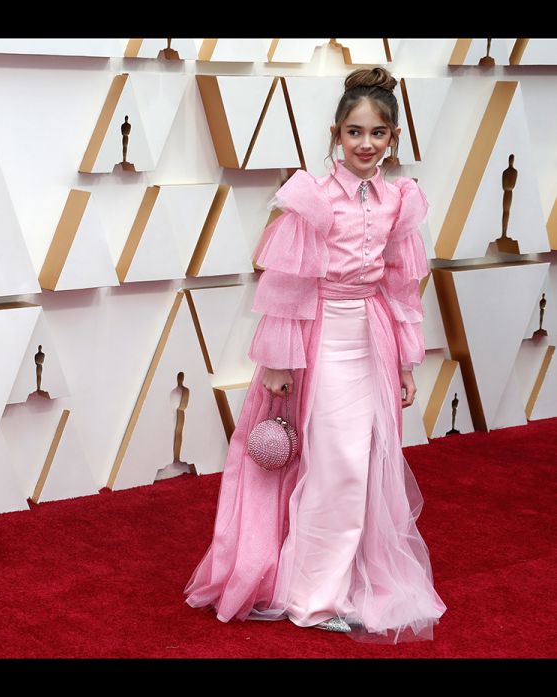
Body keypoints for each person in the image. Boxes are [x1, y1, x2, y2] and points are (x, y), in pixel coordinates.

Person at [183, 67, 447, 644]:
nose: (365, 144)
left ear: (394, 140)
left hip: (371, 339)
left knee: (367, 462)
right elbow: (286, 286)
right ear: (336, 133)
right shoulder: (312, 196)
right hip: (320, 338)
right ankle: (311, 595)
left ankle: (342, 583)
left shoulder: (398, 200)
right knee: (336, 464)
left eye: (377, 134)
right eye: (355, 132)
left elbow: (402, 289)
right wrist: (279, 362)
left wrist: (404, 363)